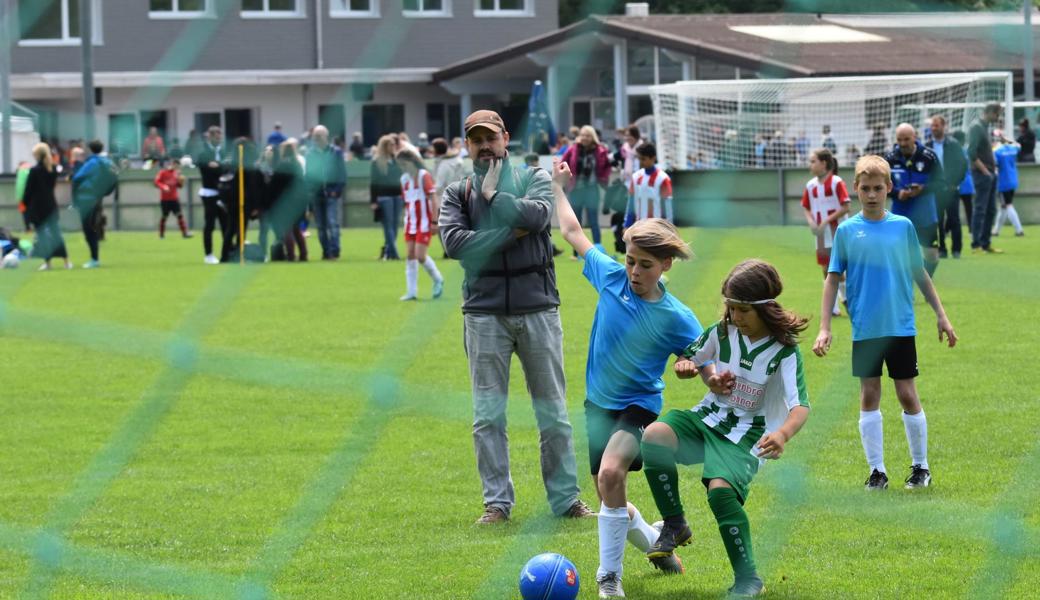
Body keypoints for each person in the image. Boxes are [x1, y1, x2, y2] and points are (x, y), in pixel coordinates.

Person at [552, 159, 704, 596]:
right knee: (608, 492)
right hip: (597, 404)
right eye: (631, 261)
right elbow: (573, 234)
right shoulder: (611, 277)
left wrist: (691, 366)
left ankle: (608, 579)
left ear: (666, 266)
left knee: (612, 474)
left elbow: (706, 361)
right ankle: (659, 543)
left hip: (638, 406)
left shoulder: (677, 317)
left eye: (646, 266)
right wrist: (560, 188)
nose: (635, 272)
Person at [438, 109, 592, 524]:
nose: (485, 146)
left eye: (491, 137)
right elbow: (455, 244)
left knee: (553, 412)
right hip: (483, 312)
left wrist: (496, 199)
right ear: (466, 145)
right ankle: (497, 504)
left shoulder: (535, 178)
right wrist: (512, 231)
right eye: (476, 139)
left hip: (538, 307)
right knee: (488, 416)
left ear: (506, 138)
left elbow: (540, 217)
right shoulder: (456, 193)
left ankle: (566, 501)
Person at [641, 259, 811, 599]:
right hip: (709, 418)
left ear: (764, 307)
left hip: (748, 435)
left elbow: (800, 406)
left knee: (720, 492)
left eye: (743, 310)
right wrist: (694, 370)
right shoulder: (721, 331)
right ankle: (675, 524)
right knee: (654, 436)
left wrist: (782, 434)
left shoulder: (784, 351)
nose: (735, 317)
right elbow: (691, 359)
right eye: (731, 309)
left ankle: (748, 579)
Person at [813, 155, 957, 492]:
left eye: (879, 188)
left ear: (889, 188)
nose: (873, 194)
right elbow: (832, 279)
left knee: (907, 393)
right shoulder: (847, 231)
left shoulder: (902, 227)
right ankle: (877, 471)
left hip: (900, 326)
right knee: (869, 394)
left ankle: (920, 467)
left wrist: (941, 314)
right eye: (866, 188)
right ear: (856, 190)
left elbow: (919, 272)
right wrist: (825, 326)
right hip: (865, 328)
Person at [884, 123, 945, 278]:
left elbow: (941, 183)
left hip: (926, 215)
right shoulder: (890, 159)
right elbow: (882, 186)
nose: (903, 143)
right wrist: (898, 193)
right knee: (902, 256)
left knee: (932, 255)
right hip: (900, 216)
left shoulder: (929, 156)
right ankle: (906, 290)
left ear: (915, 137)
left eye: (906, 139)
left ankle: (924, 282)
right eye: (899, 139)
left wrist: (922, 189)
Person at [801, 147, 850, 316]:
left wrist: (826, 221)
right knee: (825, 268)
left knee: (837, 269)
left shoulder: (836, 182)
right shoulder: (810, 185)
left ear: (824, 163)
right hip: (821, 234)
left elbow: (846, 206)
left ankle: (847, 300)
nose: (810, 164)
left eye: (813, 161)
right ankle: (834, 308)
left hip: (837, 231)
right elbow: (806, 207)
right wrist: (811, 222)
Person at [396, 149, 445, 300]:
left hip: (424, 222)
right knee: (410, 255)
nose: (403, 167)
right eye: (400, 165)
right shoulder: (404, 179)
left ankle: (438, 279)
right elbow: (407, 202)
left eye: (404, 164)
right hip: (410, 223)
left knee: (420, 255)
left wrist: (435, 221)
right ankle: (411, 292)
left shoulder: (424, 175)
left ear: (412, 161)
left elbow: (434, 198)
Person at [561, 125, 610, 256]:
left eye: (587, 135)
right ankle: (576, 253)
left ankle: (598, 250)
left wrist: (604, 178)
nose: (584, 138)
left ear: (592, 137)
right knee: (576, 222)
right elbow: (563, 162)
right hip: (576, 189)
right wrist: (565, 179)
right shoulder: (573, 149)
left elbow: (606, 166)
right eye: (582, 135)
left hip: (592, 189)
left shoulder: (600, 151)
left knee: (594, 221)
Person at [23, 142, 72, 270]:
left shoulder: (34, 171)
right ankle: (66, 261)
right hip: (51, 205)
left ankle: (48, 263)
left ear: (37, 155)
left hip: (38, 207)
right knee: (56, 234)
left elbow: (28, 191)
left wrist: (25, 203)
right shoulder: (53, 169)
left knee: (42, 236)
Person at [926, 115, 968, 259]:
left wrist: (955, 183)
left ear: (944, 126)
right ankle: (941, 249)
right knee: (937, 220)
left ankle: (956, 250)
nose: (933, 128)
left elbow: (962, 165)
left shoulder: (953, 144)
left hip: (951, 189)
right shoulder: (927, 146)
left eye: (936, 125)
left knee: (954, 219)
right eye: (932, 125)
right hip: (935, 190)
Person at [71, 140, 116, 269]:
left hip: (86, 198)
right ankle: (94, 258)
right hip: (97, 198)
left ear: (90, 149)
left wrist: (74, 201)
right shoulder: (107, 162)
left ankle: (94, 259)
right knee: (93, 227)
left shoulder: (92, 163)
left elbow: (76, 179)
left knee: (88, 229)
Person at [304, 125, 346, 260]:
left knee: (333, 223)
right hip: (316, 194)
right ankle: (326, 252)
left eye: (319, 135)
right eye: (315, 136)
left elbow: (342, 173)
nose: (316, 139)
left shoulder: (336, 152)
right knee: (321, 227)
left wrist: (337, 191)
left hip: (331, 193)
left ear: (326, 136)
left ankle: (335, 251)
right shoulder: (310, 154)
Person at [968, 103, 1003, 254]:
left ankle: (985, 243)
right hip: (982, 174)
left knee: (991, 210)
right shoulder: (976, 127)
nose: (998, 117)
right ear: (989, 112)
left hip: (989, 174)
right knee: (980, 209)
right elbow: (971, 153)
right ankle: (976, 245)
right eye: (997, 114)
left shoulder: (984, 127)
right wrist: (985, 171)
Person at [220, 138, 262, 263]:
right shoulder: (247, 166)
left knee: (231, 229)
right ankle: (237, 256)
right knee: (239, 230)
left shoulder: (230, 165)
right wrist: (255, 206)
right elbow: (254, 188)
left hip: (232, 203)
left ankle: (226, 256)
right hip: (243, 202)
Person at [197, 126, 229, 264]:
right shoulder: (204, 153)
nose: (219, 139)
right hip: (209, 192)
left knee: (225, 224)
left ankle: (226, 253)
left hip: (223, 193)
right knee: (210, 224)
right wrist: (219, 168)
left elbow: (227, 168)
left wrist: (219, 166)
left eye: (220, 136)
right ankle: (208, 254)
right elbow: (207, 170)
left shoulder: (223, 151)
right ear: (209, 137)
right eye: (216, 136)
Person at [370, 135, 404, 261]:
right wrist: (373, 200)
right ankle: (394, 253)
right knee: (388, 226)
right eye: (391, 145)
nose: (394, 147)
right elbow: (373, 182)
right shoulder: (377, 161)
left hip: (397, 196)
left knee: (394, 226)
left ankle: (389, 252)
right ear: (385, 147)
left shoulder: (397, 160)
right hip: (384, 197)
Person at [624, 143, 673, 226]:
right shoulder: (635, 177)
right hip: (639, 226)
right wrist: (627, 224)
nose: (640, 162)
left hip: (656, 228)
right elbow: (631, 203)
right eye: (639, 159)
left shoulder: (663, 178)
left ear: (653, 158)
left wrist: (669, 227)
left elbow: (667, 206)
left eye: (643, 159)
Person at [991, 130, 1025, 237]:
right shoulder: (1012, 148)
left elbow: (994, 166)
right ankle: (996, 230)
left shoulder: (997, 151)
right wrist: (1007, 140)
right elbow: (1018, 145)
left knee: (1008, 205)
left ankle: (1019, 229)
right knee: (1003, 206)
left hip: (1003, 182)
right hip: (1013, 180)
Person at [154, 158, 191, 239]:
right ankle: (161, 235)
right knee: (164, 216)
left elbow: (178, 186)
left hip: (174, 199)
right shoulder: (163, 172)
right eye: (176, 165)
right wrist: (163, 186)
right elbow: (156, 182)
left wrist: (181, 182)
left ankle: (185, 233)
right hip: (165, 199)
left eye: (178, 166)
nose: (177, 168)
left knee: (179, 215)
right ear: (172, 164)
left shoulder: (176, 173)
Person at [15, 161, 32, 232]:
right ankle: (28, 228)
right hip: (26, 197)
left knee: (25, 213)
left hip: (22, 197)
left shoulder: (20, 173)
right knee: (26, 213)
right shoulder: (26, 172)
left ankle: (28, 228)